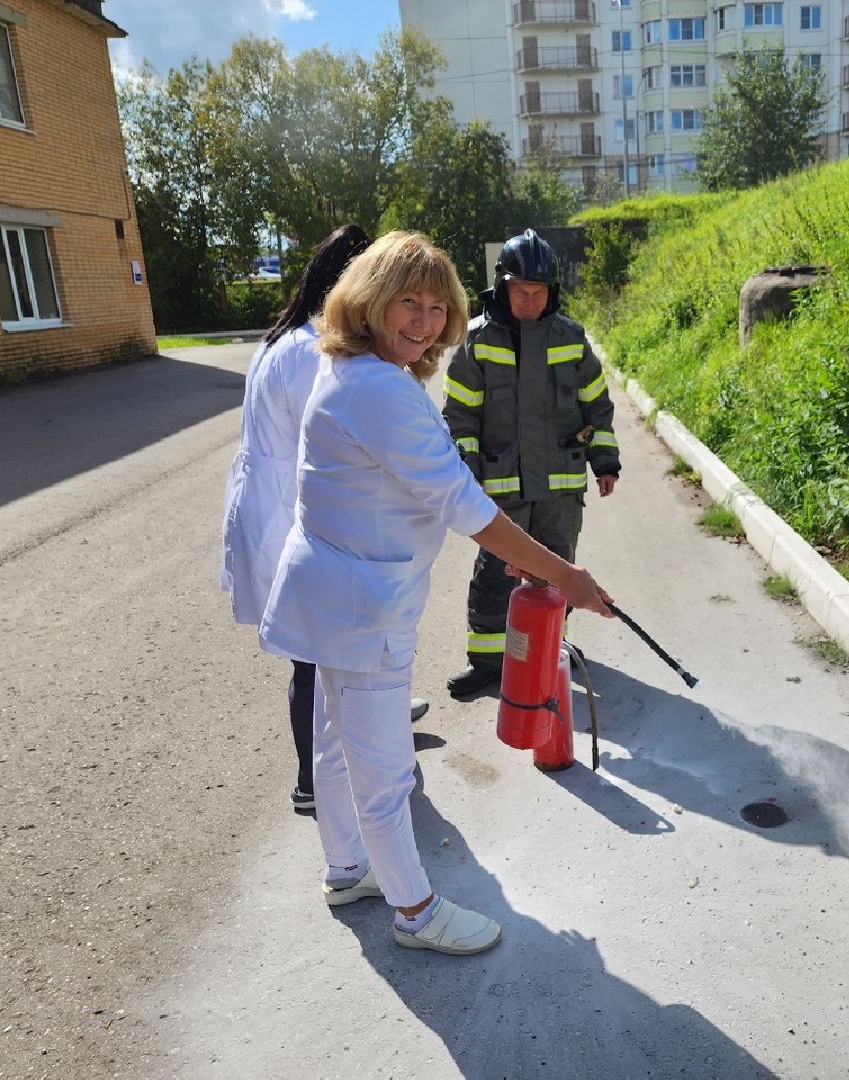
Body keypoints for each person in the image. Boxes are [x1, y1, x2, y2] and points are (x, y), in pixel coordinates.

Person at [258, 231, 613, 956]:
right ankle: (415, 913)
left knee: (335, 742)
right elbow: (463, 503)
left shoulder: (357, 369)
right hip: (361, 603)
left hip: (336, 589)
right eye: (407, 303)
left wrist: (519, 554)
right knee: (384, 768)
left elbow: (436, 487)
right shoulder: (377, 388)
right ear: (370, 300)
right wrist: (562, 574)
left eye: (435, 306)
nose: (423, 322)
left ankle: (346, 868)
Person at [219, 224, 428, 816]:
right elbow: (354, 442)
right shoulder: (317, 352)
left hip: (271, 504)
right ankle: (315, 779)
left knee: (324, 651)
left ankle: (374, 725)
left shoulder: (281, 338)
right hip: (294, 512)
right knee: (317, 656)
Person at [442, 229, 621, 699]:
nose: (528, 301)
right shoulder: (477, 341)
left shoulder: (571, 339)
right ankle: (488, 662)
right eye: (520, 291)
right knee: (495, 574)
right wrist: (469, 474)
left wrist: (605, 461)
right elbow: (460, 416)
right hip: (501, 486)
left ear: (551, 292)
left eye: (538, 292)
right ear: (502, 288)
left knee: (558, 572)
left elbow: (596, 405)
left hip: (561, 488)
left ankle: (549, 652)